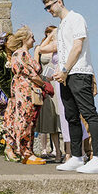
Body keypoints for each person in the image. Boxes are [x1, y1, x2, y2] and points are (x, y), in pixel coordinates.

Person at [43, 0, 98, 174]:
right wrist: (58, 71)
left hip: (79, 73)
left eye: (50, 6)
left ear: (59, 2)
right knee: (71, 117)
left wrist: (64, 70)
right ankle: (77, 157)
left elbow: (78, 48)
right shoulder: (61, 26)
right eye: (45, 8)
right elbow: (63, 53)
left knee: (89, 114)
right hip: (65, 76)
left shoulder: (76, 18)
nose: (48, 11)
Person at [2, 27, 49, 165]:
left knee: (29, 120)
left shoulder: (25, 53)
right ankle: (25, 152)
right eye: (32, 37)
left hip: (28, 91)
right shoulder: (20, 54)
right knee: (25, 119)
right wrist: (45, 85)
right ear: (24, 39)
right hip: (24, 91)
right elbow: (32, 74)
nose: (34, 39)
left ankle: (28, 151)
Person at [33, 26, 62, 163]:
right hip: (45, 85)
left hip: (56, 82)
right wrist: (50, 36)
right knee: (47, 119)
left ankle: (58, 151)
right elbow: (38, 51)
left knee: (57, 118)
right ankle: (46, 149)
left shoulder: (58, 46)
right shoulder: (43, 46)